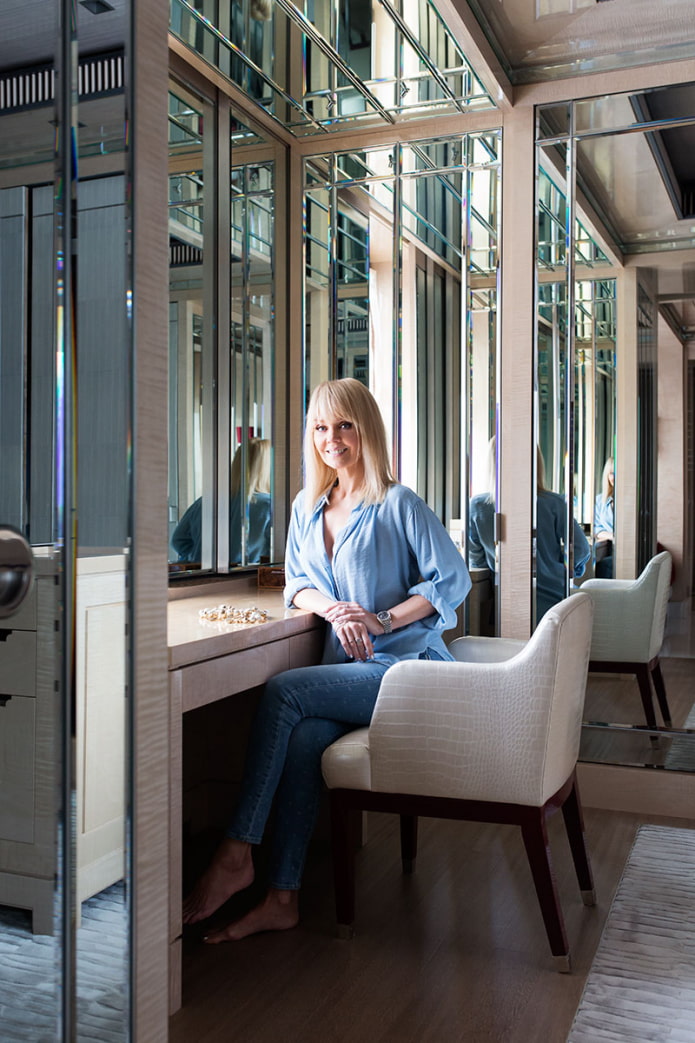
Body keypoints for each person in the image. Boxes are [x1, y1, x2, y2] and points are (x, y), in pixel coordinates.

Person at [182, 377, 471, 941]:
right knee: (307, 737)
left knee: (284, 691)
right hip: (349, 669)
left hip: (406, 670)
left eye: (344, 425)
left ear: (366, 430)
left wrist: (380, 619)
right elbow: (297, 584)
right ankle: (282, 896)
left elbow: (451, 581)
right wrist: (337, 611)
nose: (331, 437)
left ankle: (236, 852)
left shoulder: (397, 502)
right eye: (320, 426)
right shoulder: (307, 505)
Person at [171, 437, 272, 566]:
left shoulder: (204, 502)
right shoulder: (269, 506)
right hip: (247, 580)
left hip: (202, 578)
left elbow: (178, 540)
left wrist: (200, 558)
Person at [536, 447, 591, 621]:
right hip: (553, 596)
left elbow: (477, 558)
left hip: (500, 601)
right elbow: (581, 548)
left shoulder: (478, 506)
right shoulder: (553, 503)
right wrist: (561, 569)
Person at [468, 435, 497, 572]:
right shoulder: (556, 503)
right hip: (559, 591)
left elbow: (477, 560)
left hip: (501, 589)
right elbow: (572, 552)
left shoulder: (479, 505)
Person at [593, 456, 614, 578]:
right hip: (609, 546)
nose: (614, 477)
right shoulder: (600, 500)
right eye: (611, 473)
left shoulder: (631, 500)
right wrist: (612, 536)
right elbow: (595, 528)